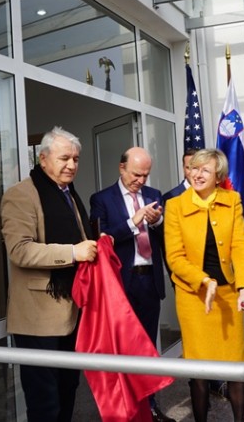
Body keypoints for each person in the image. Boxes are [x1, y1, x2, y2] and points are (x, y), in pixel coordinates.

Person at [0, 126, 98, 422]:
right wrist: (72, 252)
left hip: (72, 312)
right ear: (43, 159)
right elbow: (20, 250)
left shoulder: (68, 193)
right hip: (37, 319)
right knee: (45, 405)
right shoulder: (20, 196)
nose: (71, 165)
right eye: (64, 158)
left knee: (68, 390)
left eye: (76, 159)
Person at [163, 148, 244, 422]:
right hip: (193, 297)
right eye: (193, 168)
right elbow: (175, 257)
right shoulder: (175, 206)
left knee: (236, 364)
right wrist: (203, 280)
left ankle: (241, 419)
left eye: (205, 169)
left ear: (219, 176)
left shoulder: (232, 199)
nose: (197, 174)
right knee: (198, 367)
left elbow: (240, 247)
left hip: (228, 295)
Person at [89, 147, 175, 422]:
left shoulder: (153, 196)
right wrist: (132, 222)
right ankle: (125, 407)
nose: (141, 181)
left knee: (148, 346)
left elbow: (167, 235)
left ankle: (148, 406)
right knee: (124, 348)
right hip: (120, 285)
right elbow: (102, 239)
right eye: (136, 175)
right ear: (121, 168)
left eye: (146, 175)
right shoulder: (102, 199)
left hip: (149, 280)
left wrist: (158, 221)